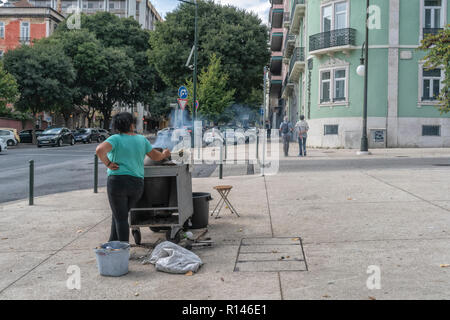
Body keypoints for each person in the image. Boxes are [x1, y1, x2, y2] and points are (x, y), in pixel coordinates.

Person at [96, 112, 171, 243]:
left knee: (121, 218)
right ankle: (112, 242)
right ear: (131, 125)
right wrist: (164, 154)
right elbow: (156, 157)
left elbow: (99, 150)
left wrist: (108, 163)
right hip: (136, 185)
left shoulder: (115, 139)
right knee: (119, 214)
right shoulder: (142, 140)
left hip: (117, 183)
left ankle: (123, 251)